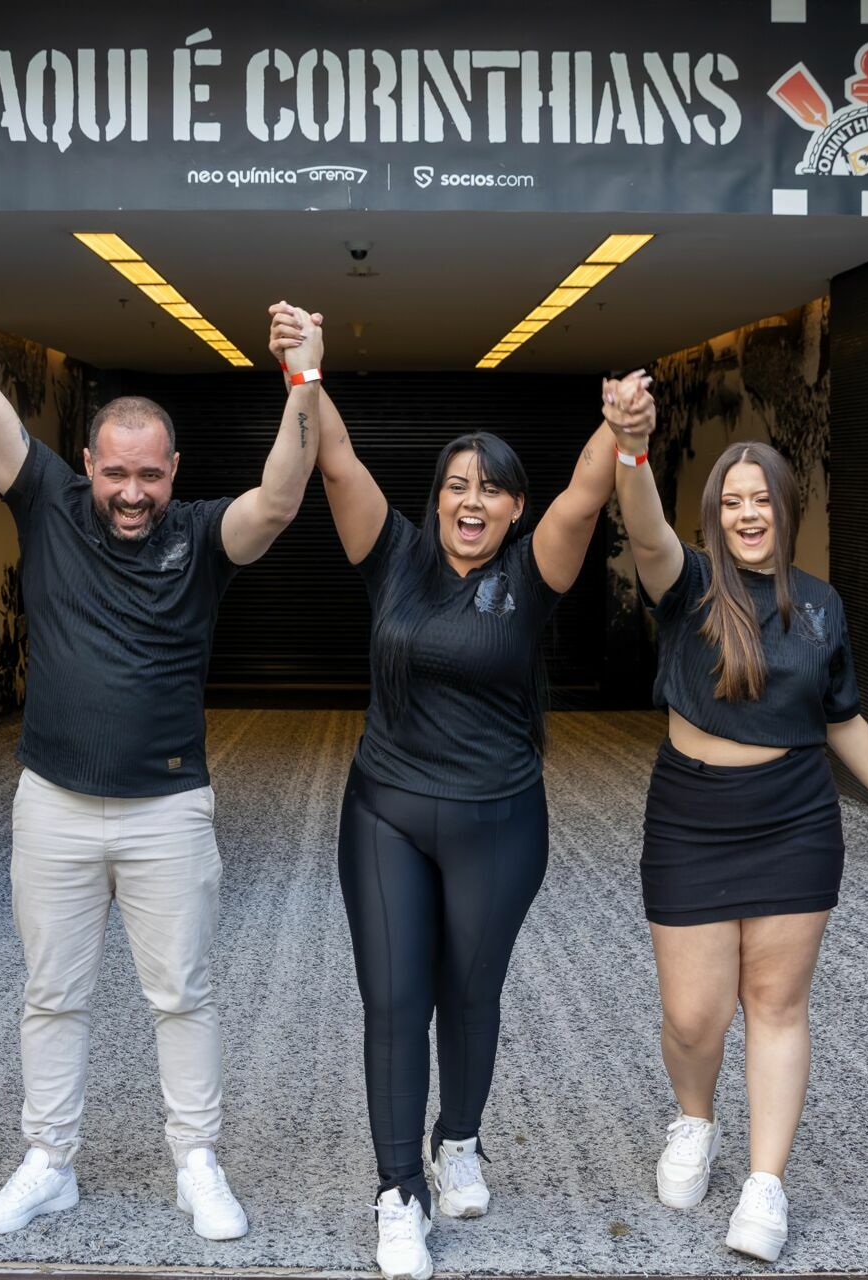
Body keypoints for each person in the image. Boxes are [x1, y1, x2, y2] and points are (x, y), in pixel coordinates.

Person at [0, 226, 324, 1241]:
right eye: (117, 473)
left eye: (150, 474)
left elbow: (281, 499)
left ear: (174, 468)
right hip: (52, 800)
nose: (133, 492)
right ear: (90, 464)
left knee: (181, 992)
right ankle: (48, 1162)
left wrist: (302, 381)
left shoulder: (199, 534)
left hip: (168, 806)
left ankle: (196, 1160)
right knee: (51, 992)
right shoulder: (52, 503)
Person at [267, 306, 644, 1280]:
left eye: (492, 491)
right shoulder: (393, 557)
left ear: (513, 509)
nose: (471, 502)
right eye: (456, 486)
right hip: (386, 808)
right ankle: (399, 1189)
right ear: (436, 497)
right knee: (394, 999)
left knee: (469, 989)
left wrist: (618, 426)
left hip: (501, 820)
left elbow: (584, 496)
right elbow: (339, 460)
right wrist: (306, 374)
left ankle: (461, 1136)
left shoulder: (536, 568)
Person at [606, 385, 868, 1263]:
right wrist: (633, 447)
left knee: (775, 1002)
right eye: (732, 501)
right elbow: (645, 528)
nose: (748, 513)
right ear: (714, 516)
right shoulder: (684, 585)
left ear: (784, 509)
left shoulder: (822, 605)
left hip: (797, 816)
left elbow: (842, 717)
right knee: (694, 1018)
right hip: (690, 815)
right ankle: (696, 1121)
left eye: (762, 499)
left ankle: (766, 1183)